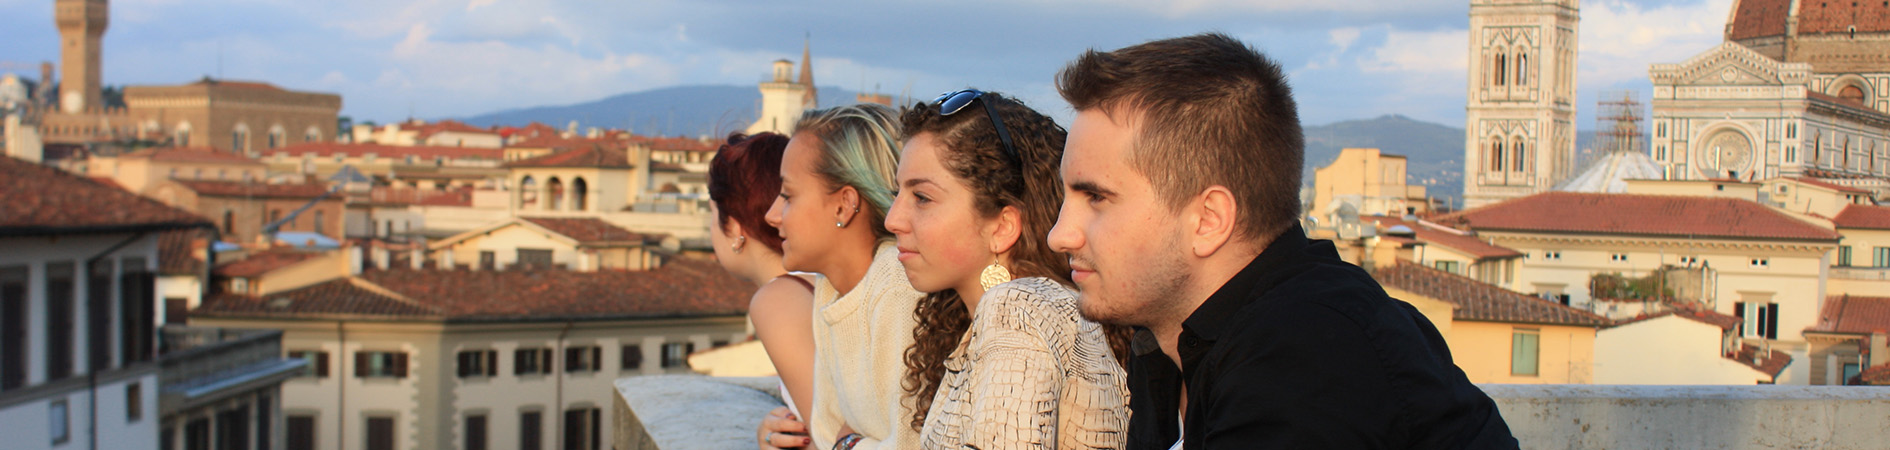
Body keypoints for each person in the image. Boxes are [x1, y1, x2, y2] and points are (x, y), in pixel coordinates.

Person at [1048, 33, 1520, 449]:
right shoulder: (1169, 348)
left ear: (1208, 220)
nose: (1058, 235)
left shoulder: (1309, 354)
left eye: (1096, 197)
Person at [885, 89, 1131, 449]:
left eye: (921, 198)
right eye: (897, 194)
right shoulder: (1021, 314)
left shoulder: (1018, 311)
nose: (893, 220)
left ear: (1002, 227)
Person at [756, 104, 925, 450]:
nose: (773, 215)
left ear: (844, 205)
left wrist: (847, 443)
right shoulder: (833, 290)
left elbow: (912, 443)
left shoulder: (899, 287)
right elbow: (826, 434)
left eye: (788, 195)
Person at [707, 132, 818, 419]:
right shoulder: (820, 281)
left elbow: (831, 437)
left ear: (734, 227)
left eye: (711, 214)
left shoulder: (779, 301)